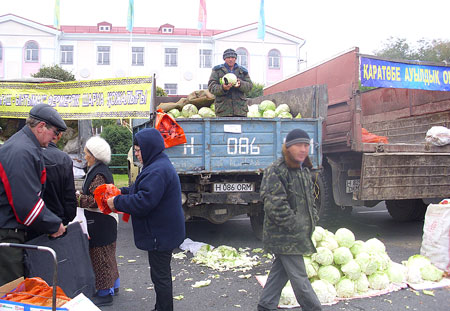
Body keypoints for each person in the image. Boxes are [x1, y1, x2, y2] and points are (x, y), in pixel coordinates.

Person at [106, 128, 185, 311]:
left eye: (139, 150)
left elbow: (144, 201)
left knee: (160, 276)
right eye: (135, 149)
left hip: (161, 234)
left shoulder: (157, 170)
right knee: (160, 275)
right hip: (163, 231)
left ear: (149, 148)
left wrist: (116, 201)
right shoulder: (156, 164)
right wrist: (121, 192)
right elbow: (139, 190)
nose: (136, 153)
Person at [0, 104, 67, 286]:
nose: (56, 138)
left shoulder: (24, 145)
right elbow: (26, 205)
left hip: (11, 230)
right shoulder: (21, 151)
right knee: (11, 294)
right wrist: (54, 225)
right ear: (40, 127)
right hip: (7, 233)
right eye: (55, 132)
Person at [257, 128, 322, 311]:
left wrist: (312, 220)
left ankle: (265, 305)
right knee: (300, 279)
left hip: (297, 234)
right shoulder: (276, 171)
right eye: (299, 145)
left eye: (306, 145)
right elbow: (275, 206)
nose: (303, 149)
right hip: (285, 235)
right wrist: (296, 226)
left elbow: (310, 201)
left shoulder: (303, 171)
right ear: (288, 148)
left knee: (280, 272)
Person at [77, 136, 119, 307]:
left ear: (93, 155)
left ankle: (104, 294)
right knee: (108, 256)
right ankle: (113, 286)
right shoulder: (99, 170)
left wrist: (78, 199)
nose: (84, 156)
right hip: (106, 221)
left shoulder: (98, 174)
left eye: (86, 153)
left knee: (100, 257)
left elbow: (96, 200)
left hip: (101, 222)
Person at [40, 133, 77, 226]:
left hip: (31, 218)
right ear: (59, 135)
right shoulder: (64, 159)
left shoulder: (28, 154)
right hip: (58, 218)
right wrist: (67, 218)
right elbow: (69, 194)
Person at [208, 48, 253, 117]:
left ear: (235, 58)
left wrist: (240, 84)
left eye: (233, 57)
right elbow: (211, 87)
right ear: (224, 59)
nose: (230, 59)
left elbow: (249, 86)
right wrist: (223, 88)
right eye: (228, 57)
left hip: (240, 111)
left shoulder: (242, 71)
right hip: (223, 110)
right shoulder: (217, 71)